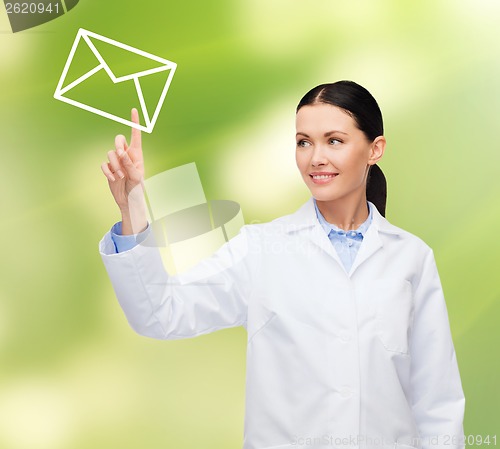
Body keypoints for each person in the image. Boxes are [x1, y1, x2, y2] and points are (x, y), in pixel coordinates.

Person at [99, 81, 465, 449]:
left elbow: (437, 403)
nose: (315, 157)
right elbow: (160, 313)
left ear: (375, 149)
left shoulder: (411, 258)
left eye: (334, 141)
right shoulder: (260, 250)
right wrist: (133, 206)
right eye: (304, 142)